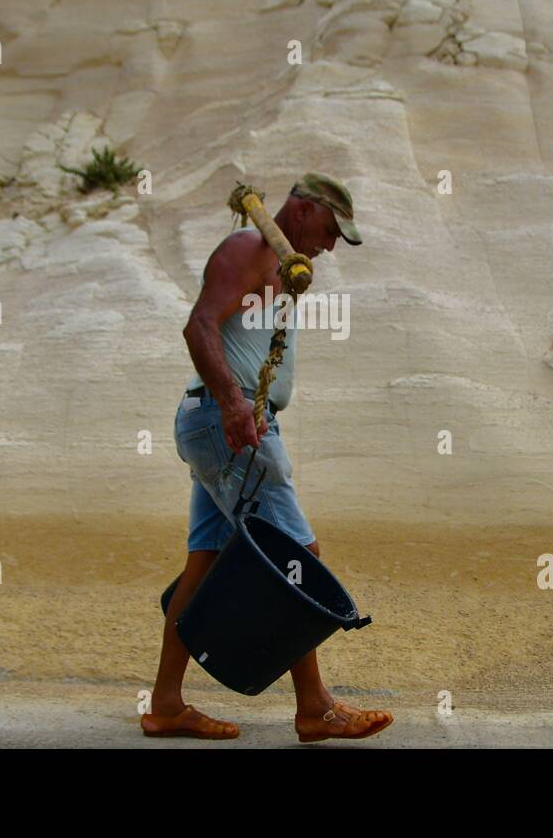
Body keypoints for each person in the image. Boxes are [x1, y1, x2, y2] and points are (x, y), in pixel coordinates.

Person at [143, 172, 393, 743]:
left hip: (229, 423)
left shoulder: (280, 265)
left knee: (206, 560)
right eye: (329, 231)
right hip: (228, 424)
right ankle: (315, 706)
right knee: (296, 553)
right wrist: (234, 405)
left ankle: (165, 705)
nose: (329, 246)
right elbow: (199, 324)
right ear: (303, 210)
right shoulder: (245, 250)